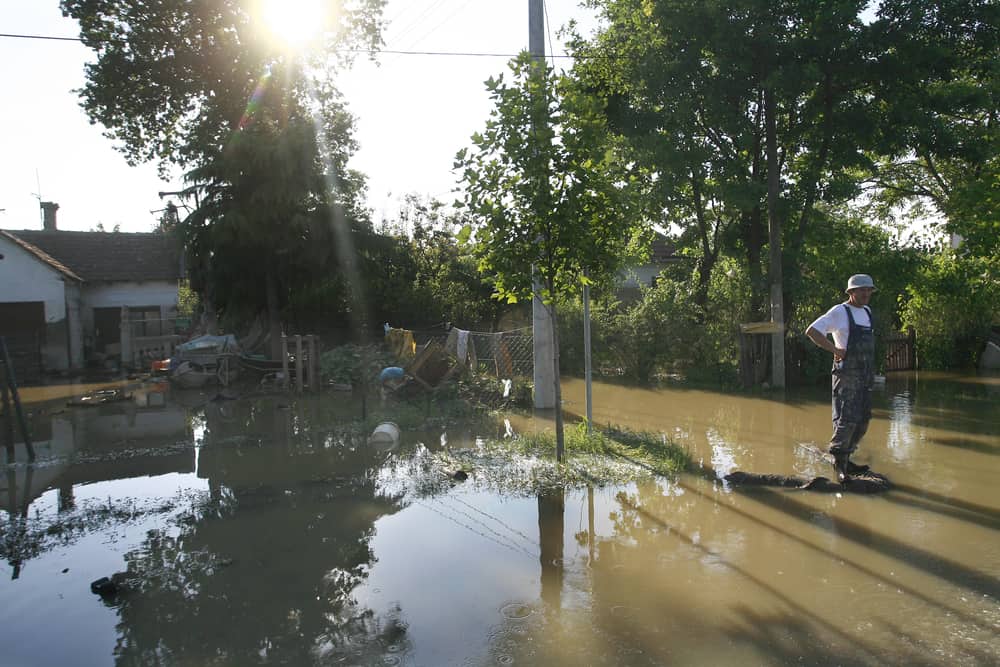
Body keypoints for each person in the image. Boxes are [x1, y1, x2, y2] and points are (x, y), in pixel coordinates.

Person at [805, 274, 877, 482]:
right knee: (846, 419)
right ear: (851, 292)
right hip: (846, 374)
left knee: (863, 420)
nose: (866, 294)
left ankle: (847, 456)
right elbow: (812, 331)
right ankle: (840, 465)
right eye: (861, 290)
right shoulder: (840, 311)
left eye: (868, 290)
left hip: (865, 375)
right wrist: (835, 349)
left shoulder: (867, 312)